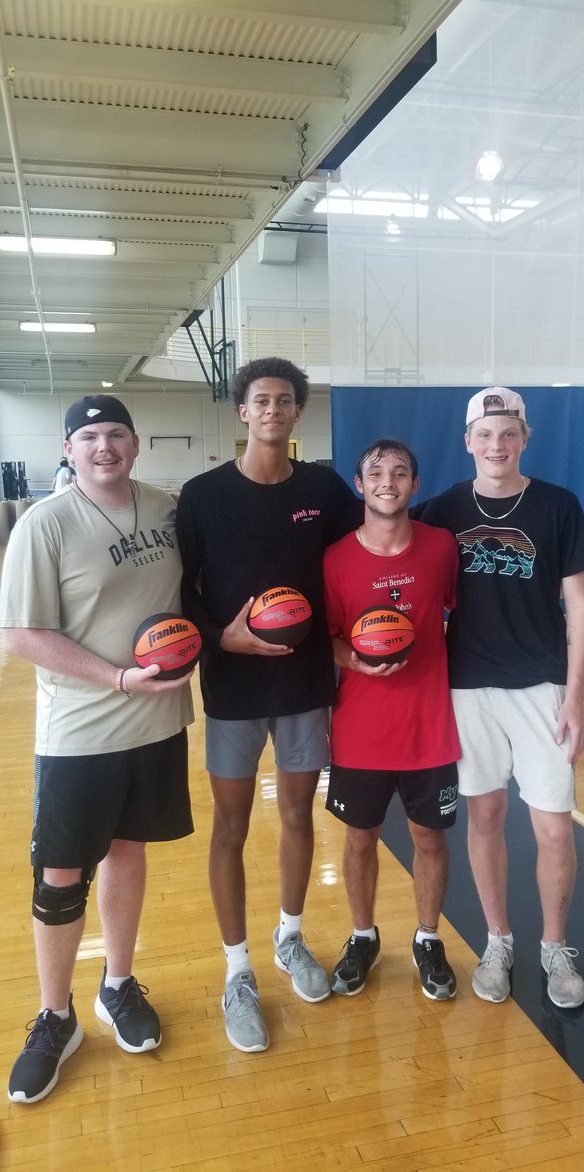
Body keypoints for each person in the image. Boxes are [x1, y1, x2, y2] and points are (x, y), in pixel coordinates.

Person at [0, 394, 194, 1104]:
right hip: (79, 731)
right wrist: (117, 677)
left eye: (116, 433)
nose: (104, 446)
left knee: (129, 853)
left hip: (159, 723)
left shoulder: (167, 508)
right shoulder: (43, 524)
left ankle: (117, 982)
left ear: (136, 444)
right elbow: (21, 635)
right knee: (59, 877)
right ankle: (55, 1016)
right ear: (67, 449)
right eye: (90, 437)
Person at [176, 356, 363, 1053]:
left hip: (303, 681)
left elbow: (357, 558)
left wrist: (360, 635)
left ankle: (290, 936)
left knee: (294, 814)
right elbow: (184, 588)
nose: (274, 410)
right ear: (242, 411)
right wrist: (216, 635)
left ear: (297, 412)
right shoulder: (200, 495)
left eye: (286, 400)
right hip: (231, 682)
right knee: (229, 827)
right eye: (262, 400)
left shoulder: (323, 487)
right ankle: (237, 969)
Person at [417, 387, 584, 1008]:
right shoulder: (439, 511)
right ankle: (498, 939)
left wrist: (576, 696)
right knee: (484, 817)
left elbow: (579, 608)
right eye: (485, 434)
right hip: (468, 687)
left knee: (552, 830)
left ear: (524, 437)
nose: (496, 444)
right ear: (468, 441)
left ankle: (555, 945)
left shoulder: (559, 506)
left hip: (542, 684)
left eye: (507, 433)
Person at [322, 439, 461, 1001]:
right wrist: (353, 658)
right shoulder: (334, 558)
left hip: (429, 723)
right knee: (361, 839)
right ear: (359, 485)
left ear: (415, 486)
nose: (388, 481)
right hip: (361, 727)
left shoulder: (441, 547)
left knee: (429, 839)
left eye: (400, 472)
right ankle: (363, 935)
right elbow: (327, 636)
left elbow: (454, 611)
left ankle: (428, 938)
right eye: (376, 473)